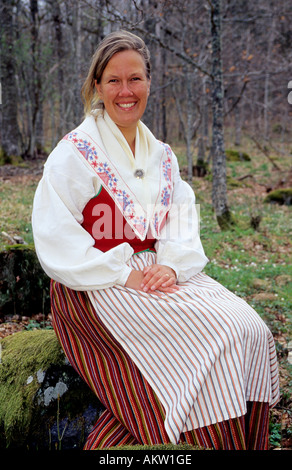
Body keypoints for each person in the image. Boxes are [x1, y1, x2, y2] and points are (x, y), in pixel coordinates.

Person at [32, 30, 279, 450]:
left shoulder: (162, 154)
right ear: (97, 85)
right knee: (214, 337)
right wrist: (122, 275)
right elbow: (55, 234)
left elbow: (181, 221)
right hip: (97, 283)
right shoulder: (74, 152)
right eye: (113, 80)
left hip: (161, 271)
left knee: (249, 328)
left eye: (135, 79)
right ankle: (190, 441)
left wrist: (172, 264)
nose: (125, 91)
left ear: (149, 82)